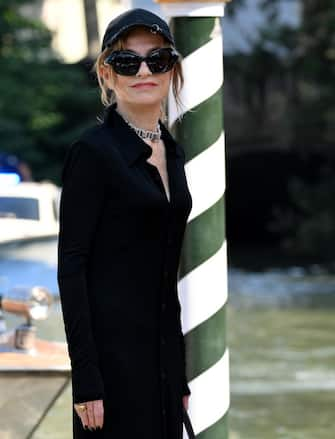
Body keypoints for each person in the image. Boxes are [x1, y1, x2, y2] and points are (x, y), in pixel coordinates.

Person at [57, 7, 193, 439]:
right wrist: (87, 379)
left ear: (172, 69)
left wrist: (180, 370)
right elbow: (71, 269)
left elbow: (164, 278)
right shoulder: (92, 153)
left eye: (158, 59)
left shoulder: (172, 152)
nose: (143, 72)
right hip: (111, 370)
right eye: (126, 62)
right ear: (107, 73)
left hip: (162, 365)